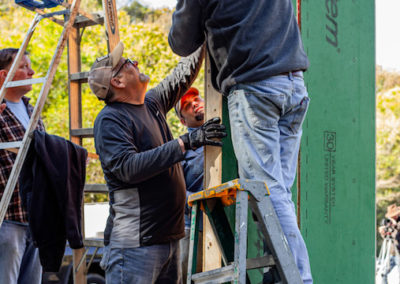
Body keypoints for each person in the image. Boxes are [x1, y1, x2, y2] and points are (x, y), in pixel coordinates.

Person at [168, 1, 313, 283]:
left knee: (268, 192)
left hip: (256, 87)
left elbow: (181, 41)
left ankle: (298, 278)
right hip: (294, 84)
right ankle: (281, 272)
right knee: (278, 192)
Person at [88, 42, 226, 284]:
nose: (136, 63)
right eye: (127, 63)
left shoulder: (151, 104)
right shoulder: (110, 120)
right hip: (134, 247)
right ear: (117, 82)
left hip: (168, 239)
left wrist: (202, 30)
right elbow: (127, 167)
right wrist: (186, 142)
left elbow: (184, 73)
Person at [0, 48, 44, 284]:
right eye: (23, 67)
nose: (32, 71)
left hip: (33, 216)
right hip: (6, 219)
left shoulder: (31, 110)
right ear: (3, 75)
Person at [174, 87, 205, 281]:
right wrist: (197, 201)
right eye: (187, 104)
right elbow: (175, 190)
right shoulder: (181, 150)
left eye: (196, 97)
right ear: (183, 121)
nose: (194, 102)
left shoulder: (228, 131)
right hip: (192, 228)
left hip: (228, 222)